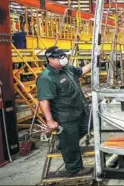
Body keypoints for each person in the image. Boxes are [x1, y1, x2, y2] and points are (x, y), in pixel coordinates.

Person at [37, 46, 93, 177]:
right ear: (50, 59)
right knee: (71, 142)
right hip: (66, 116)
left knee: (91, 126)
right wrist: (50, 121)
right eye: (59, 56)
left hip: (81, 110)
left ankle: (64, 143)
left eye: (63, 55)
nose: (63, 58)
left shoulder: (66, 69)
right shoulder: (46, 78)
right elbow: (44, 101)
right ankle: (75, 169)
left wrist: (94, 62)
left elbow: (81, 71)